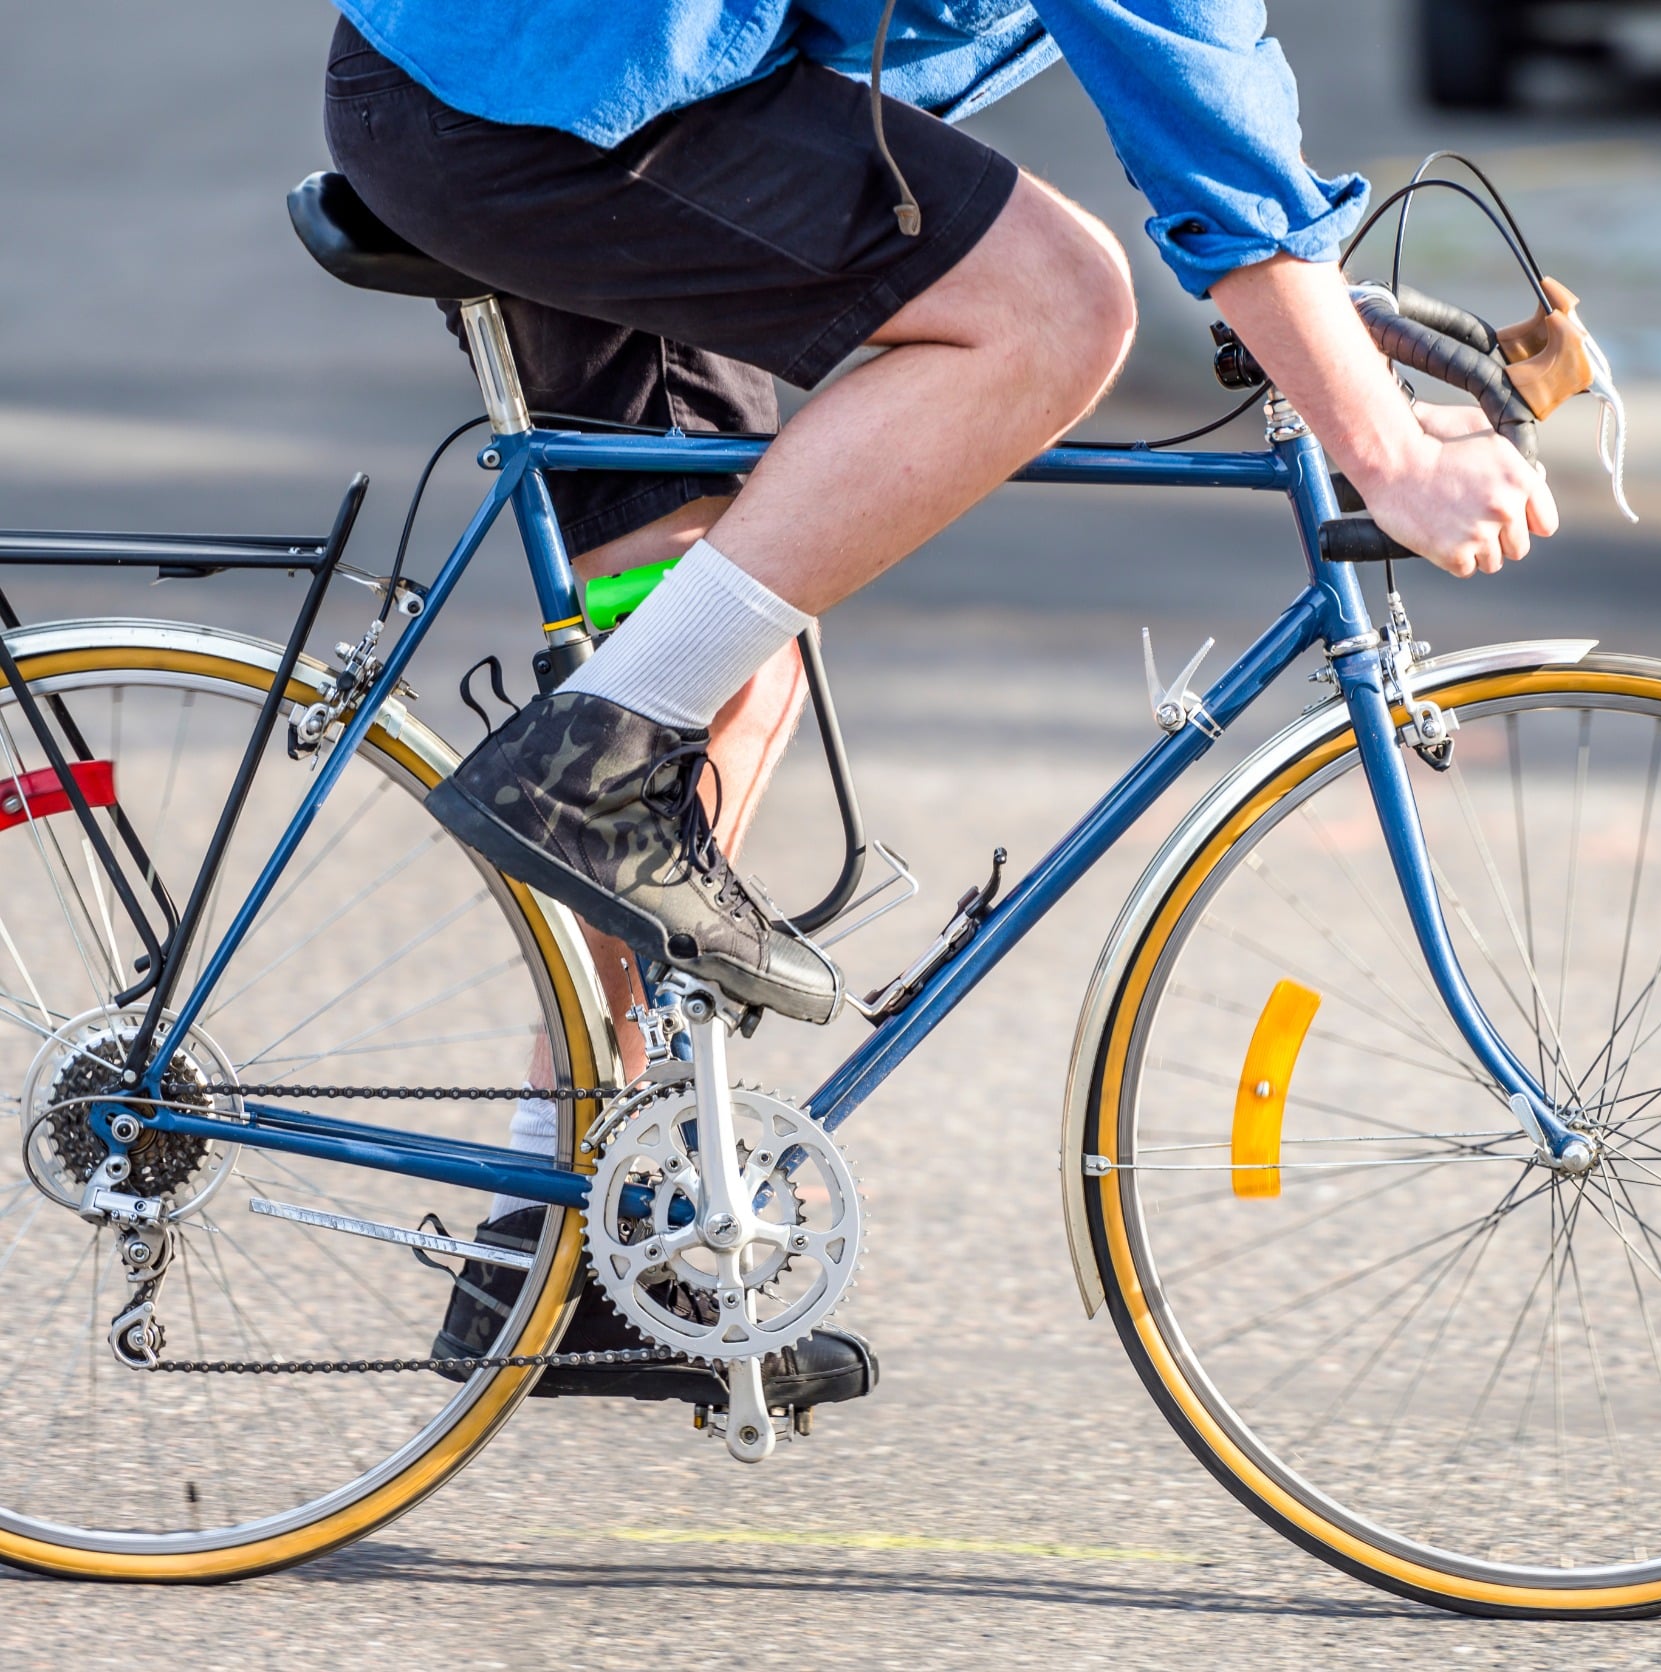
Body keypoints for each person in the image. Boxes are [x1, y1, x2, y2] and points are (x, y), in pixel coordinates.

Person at [323, 0, 1557, 1417]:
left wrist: (1317, 306)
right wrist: (1383, 445)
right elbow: (1182, 73)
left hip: (562, 85)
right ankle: (585, 768)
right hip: (545, 103)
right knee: (1055, 304)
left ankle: (562, 1241)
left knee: (722, 650)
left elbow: (1210, 86)